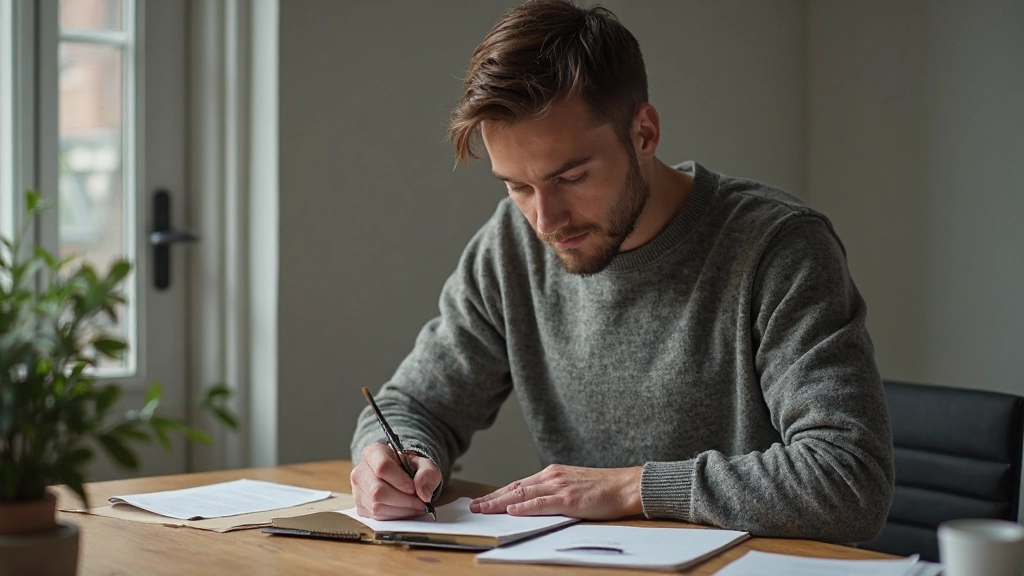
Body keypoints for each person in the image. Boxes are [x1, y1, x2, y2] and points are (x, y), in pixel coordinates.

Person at [349, 0, 893, 543]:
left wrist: (632, 487)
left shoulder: (778, 247)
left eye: (571, 177)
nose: (545, 221)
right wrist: (396, 459)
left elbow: (848, 480)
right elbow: (412, 405)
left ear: (644, 133)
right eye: (517, 186)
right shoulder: (511, 245)